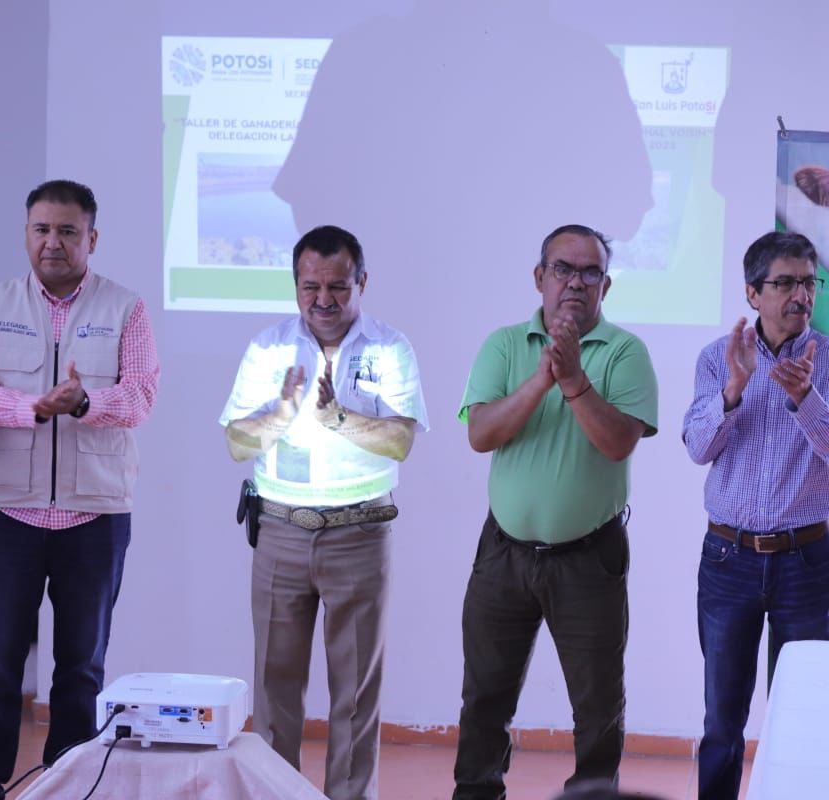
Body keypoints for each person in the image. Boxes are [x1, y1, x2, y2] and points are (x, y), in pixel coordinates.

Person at [0, 179, 160, 800]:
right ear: (26, 234)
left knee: (81, 668)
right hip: (6, 512)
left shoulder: (126, 308)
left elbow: (140, 395)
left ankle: (67, 787)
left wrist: (86, 402)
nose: (53, 242)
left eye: (68, 231)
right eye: (42, 229)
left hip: (94, 513)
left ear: (92, 239)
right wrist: (33, 407)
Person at [220, 224, 427, 800]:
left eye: (338, 286)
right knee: (274, 689)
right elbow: (236, 442)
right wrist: (280, 413)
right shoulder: (268, 348)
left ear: (362, 282)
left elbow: (400, 441)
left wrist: (339, 417)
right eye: (310, 286)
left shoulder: (390, 348)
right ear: (296, 285)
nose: (323, 299)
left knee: (355, 693)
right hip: (281, 531)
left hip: (360, 533)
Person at [455, 224, 658, 799]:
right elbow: (481, 433)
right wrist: (542, 377)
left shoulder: (625, 352)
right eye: (563, 269)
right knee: (484, 697)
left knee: (597, 708)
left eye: (590, 272)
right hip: (504, 554)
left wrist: (571, 377)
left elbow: (617, 442)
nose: (576, 282)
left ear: (605, 286)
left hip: (589, 559)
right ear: (539, 277)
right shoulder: (503, 345)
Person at [682, 231, 829, 800]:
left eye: (809, 282)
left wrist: (806, 399)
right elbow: (698, 448)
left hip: (808, 562)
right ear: (752, 292)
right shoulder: (716, 358)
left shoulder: (827, 359)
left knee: (808, 713)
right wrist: (733, 390)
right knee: (722, 722)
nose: (801, 295)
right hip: (729, 560)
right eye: (785, 282)